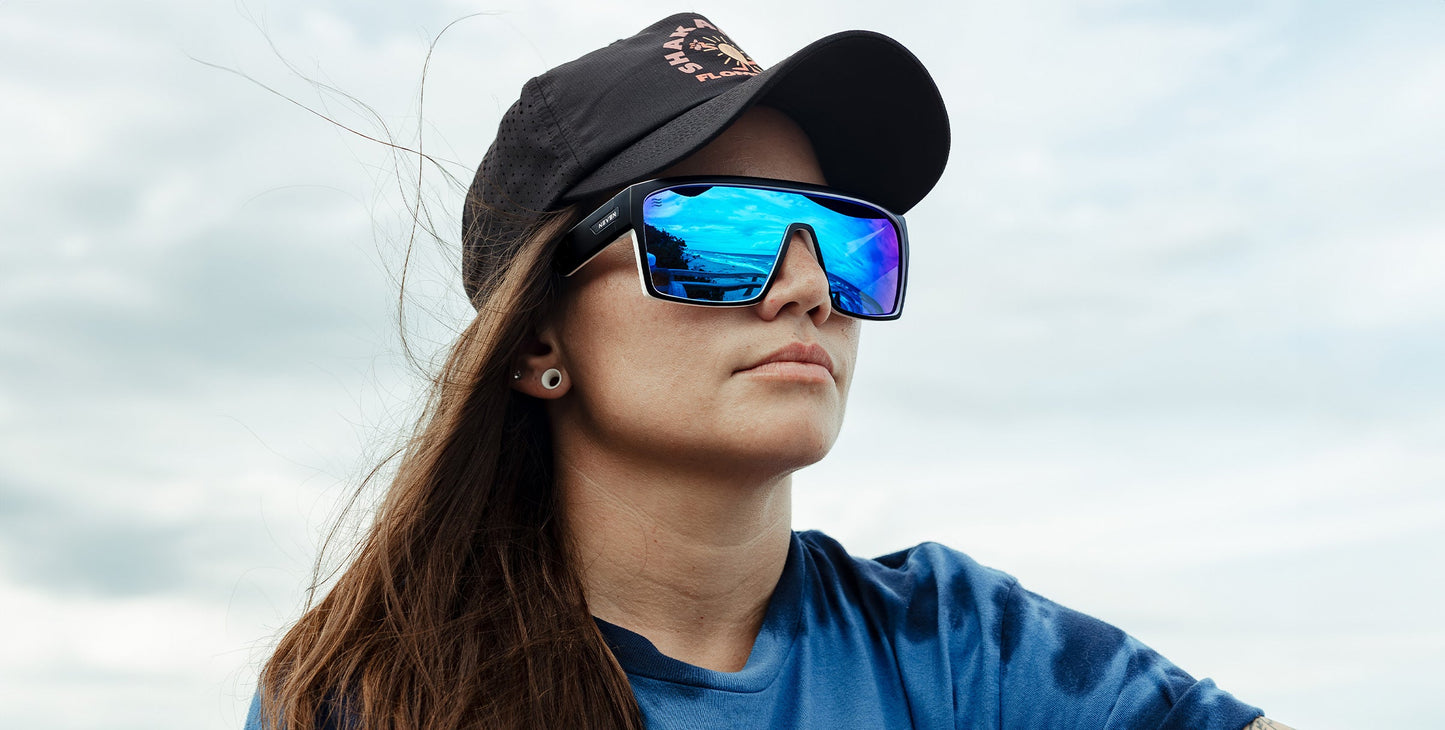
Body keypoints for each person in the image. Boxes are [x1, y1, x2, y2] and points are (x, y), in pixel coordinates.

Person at [247, 13, 1293, 730]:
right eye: (720, 232)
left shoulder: (964, 646)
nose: (808, 288)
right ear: (536, 341)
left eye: (845, 240)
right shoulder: (368, 697)